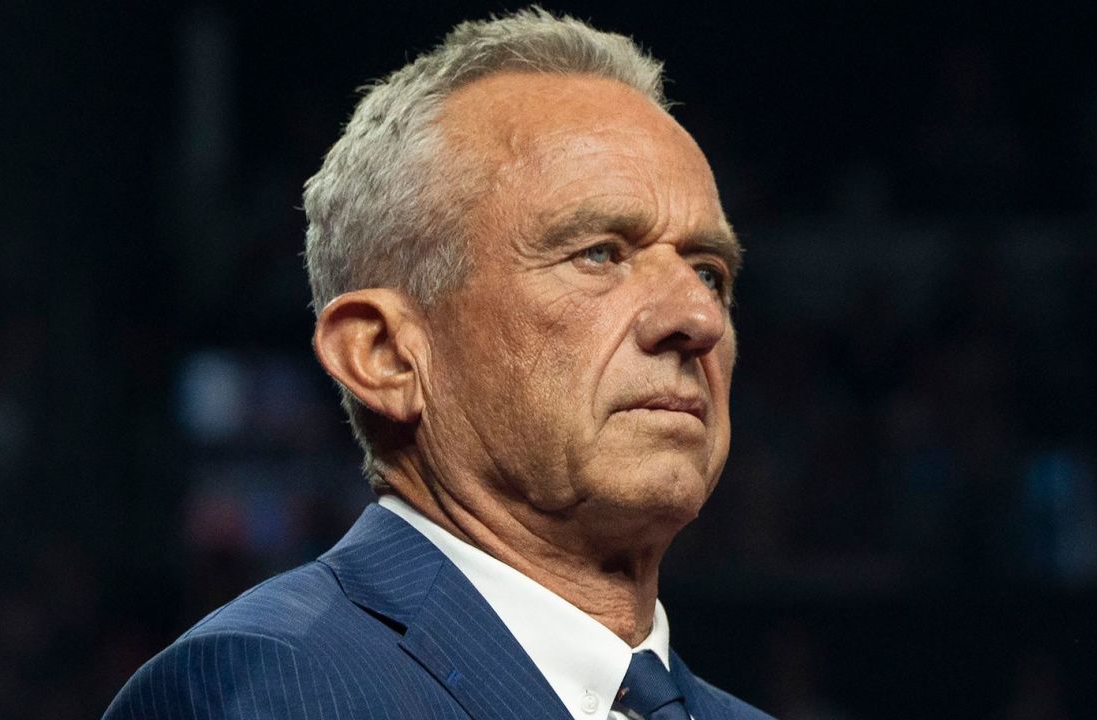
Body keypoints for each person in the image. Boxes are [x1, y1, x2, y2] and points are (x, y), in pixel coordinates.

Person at [104, 8, 771, 720]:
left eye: (710, 273)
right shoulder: (270, 687)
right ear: (385, 356)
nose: (698, 319)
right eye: (599, 254)